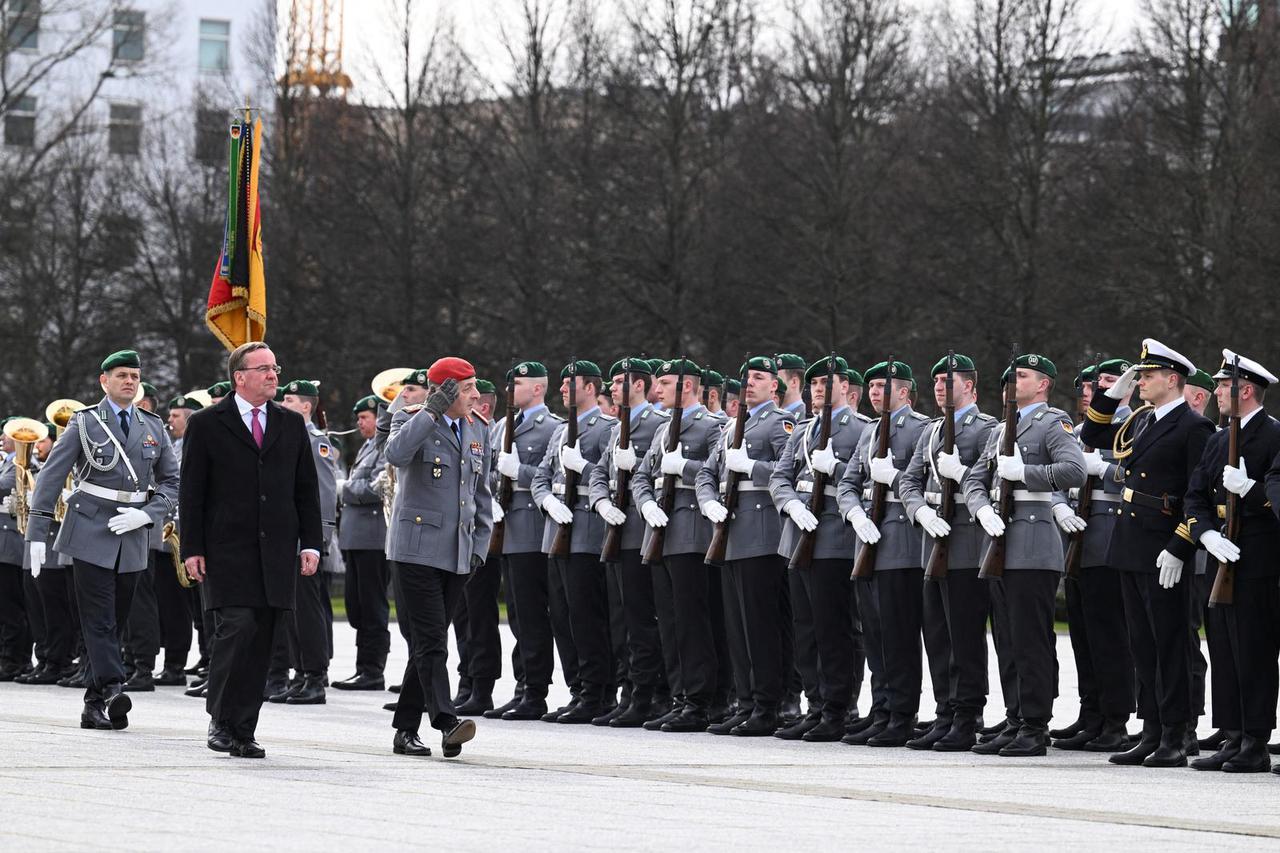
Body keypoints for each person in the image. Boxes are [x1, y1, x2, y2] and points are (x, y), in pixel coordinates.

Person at [179, 342, 323, 758]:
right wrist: (192, 547)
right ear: (239, 376)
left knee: (263, 639)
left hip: (276, 550)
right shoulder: (207, 423)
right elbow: (192, 492)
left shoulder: (290, 424)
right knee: (236, 628)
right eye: (263, 369)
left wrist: (311, 543)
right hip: (226, 550)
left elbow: (305, 490)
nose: (273, 375)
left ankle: (244, 729)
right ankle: (221, 718)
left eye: (275, 368)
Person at [25, 350, 179, 731]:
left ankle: (93, 706)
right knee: (99, 619)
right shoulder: (85, 422)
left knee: (119, 619)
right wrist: (37, 535)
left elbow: (172, 482)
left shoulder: (153, 426)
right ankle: (112, 687)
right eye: (121, 375)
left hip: (133, 531)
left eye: (134, 375)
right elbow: (49, 478)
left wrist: (149, 514)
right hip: (90, 528)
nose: (129, 381)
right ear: (104, 381)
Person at [963, 354, 1086, 757]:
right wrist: (979, 507)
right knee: (1006, 638)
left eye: (1022, 376)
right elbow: (975, 478)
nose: (1013, 383)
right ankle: (1015, 716)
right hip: (998, 543)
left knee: (1031, 639)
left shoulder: (1053, 423)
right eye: (1010, 377)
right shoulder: (1001, 429)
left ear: (1045, 384)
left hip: (1034, 545)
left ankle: (1035, 724)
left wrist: (1026, 475)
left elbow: (1075, 470)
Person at [383, 357, 493, 758]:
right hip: (415, 550)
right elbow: (395, 454)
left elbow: (483, 495)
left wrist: (480, 546)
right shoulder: (411, 419)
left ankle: (405, 730)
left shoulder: (479, 428)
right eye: (466, 389)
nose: (476, 396)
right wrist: (431, 409)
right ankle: (446, 721)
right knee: (431, 640)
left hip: (458, 552)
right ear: (445, 390)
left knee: (428, 643)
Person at [897, 353, 998, 752]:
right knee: (938, 634)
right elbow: (910, 479)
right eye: (937, 381)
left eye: (949, 381)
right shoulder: (934, 429)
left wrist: (964, 473)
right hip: (932, 541)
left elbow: (989, 480)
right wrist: (919, 509)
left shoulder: (986, 427)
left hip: (967, 544)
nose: (940, 388)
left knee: (964, 635)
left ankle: (968, 713)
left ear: (970, 386)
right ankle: (945, 710)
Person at [1188, 349, 1280, 773]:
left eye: (1223, 386)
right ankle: (1232, 732)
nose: (1217, 392)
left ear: (1245, 390)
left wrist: (1251, 489)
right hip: (1219, 550)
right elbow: (1195, 495)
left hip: (1258, 554)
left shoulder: (1274, 435)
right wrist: (1204, 531)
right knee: (1223, 645)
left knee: (1253, 648)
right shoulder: (1217, 439)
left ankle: (1255, 739)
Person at [696, 356, 796, 736]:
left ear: (775, 386)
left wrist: (751, 466)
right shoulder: (733, 427)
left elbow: (790, 471)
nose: (749, 383)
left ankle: (769, 703)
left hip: (763, 536)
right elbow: (708, 472)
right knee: (738, 626)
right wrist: (708, 500)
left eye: (758, 377)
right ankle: (748, 699)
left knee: (762, 624)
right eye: (747, 377)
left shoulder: (778, 423)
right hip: (732, 534)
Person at [332, 394, 391, 691]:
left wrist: (344, 488)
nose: (359, 423)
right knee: (357, 606)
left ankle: (372, 669)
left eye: (364, 417)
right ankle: (362, 666)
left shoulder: (383, 447)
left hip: (373, 537)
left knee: (372, 606)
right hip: (356, 537)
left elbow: (378, 487)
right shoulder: (368, 447)